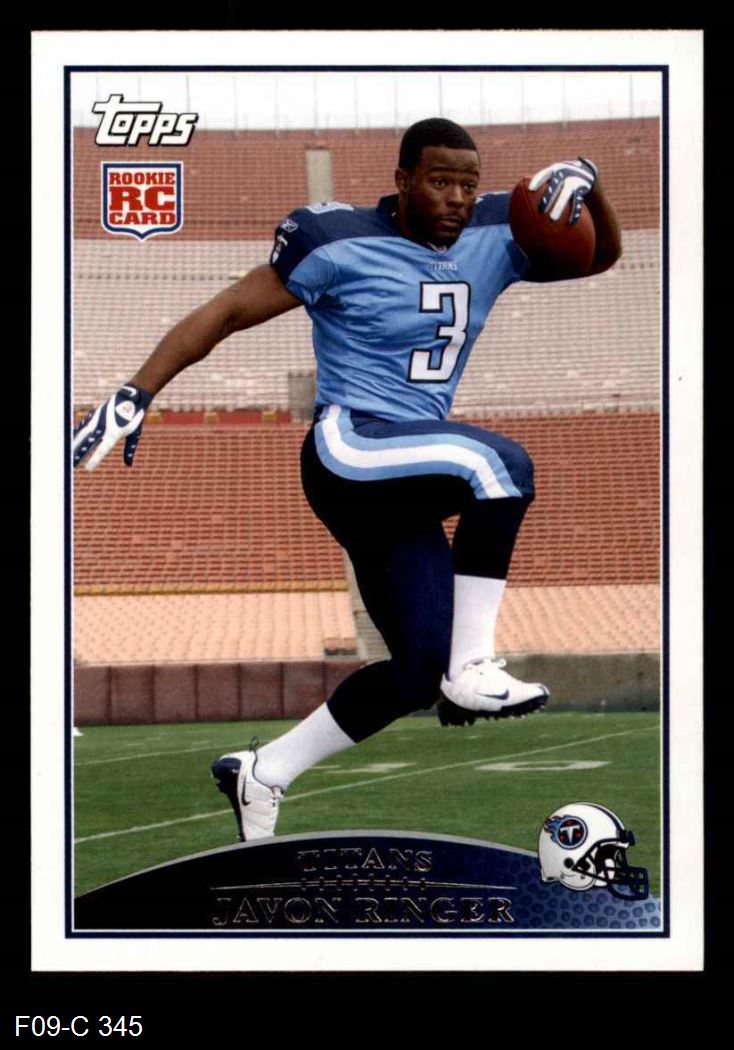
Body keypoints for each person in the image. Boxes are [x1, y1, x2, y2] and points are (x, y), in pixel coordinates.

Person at [73, 118, 622, 842]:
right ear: (402, 180)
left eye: (467, 183)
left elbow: (599, 256)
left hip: (406, 475)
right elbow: (228, 309)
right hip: (351, 445)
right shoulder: (339, 240)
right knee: (501, 467)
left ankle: (264, 771)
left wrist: (591, 184)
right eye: (439, 181)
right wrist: (138, 390)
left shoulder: (498, 228)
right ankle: (473, 665)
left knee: (417, 671)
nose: (457, 198)